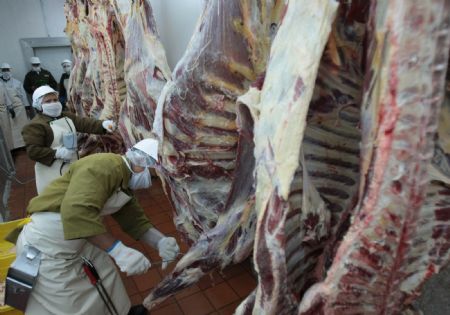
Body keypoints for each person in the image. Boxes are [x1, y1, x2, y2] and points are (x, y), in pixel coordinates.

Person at [15, 139, 180, 315]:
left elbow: (135, 221)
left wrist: (161, 242)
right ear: (143, 164)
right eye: (157, 173)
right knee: (70, 303)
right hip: (49, 245)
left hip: (79, 240)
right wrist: (120, 251)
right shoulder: (104, 166)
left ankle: (122, 312)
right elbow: (77, 213)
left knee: (106, 274)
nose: (157, 179)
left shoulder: (124, 182)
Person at [22, 85, 117, 194]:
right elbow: (33, 151)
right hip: (51, 171)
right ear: (38, 105)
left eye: (55, 100)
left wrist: (103, 125)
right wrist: (57, 153)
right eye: (48, 101)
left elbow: (84, 123)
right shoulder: (35, 125)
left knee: (75, 195)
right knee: (58, 200)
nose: (53, 103)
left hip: (71, 164)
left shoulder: (66, 116)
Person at [0, 62, 30, 151]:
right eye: (3, 70)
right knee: (11, 130)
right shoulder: (0, 84)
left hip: (19, 108)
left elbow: (23, 96)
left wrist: (27, 106)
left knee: (22, 127)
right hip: (7, 110)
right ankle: (14, 147)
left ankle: (25, 144)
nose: (5, 72)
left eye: (7, 70)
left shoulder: (17, 82)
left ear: (10, 70)